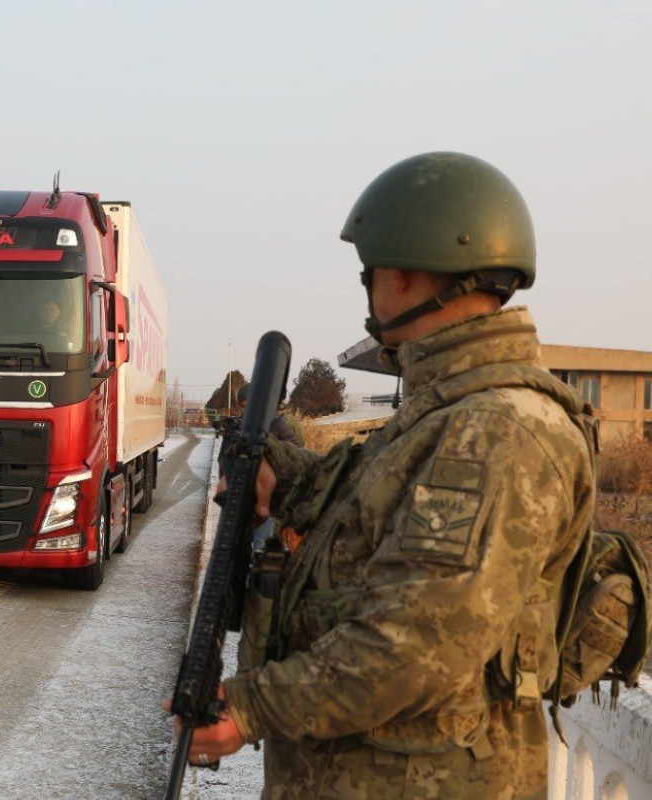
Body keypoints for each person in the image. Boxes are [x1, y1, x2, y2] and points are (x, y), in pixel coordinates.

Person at [178, 152, 596, 799]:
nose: (369, 293)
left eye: (369, 274)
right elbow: (368, 512)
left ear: (401, 274)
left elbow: (417, 646)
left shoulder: (496, 430)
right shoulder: (448, 413)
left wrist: (251, 707)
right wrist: (280, 474)